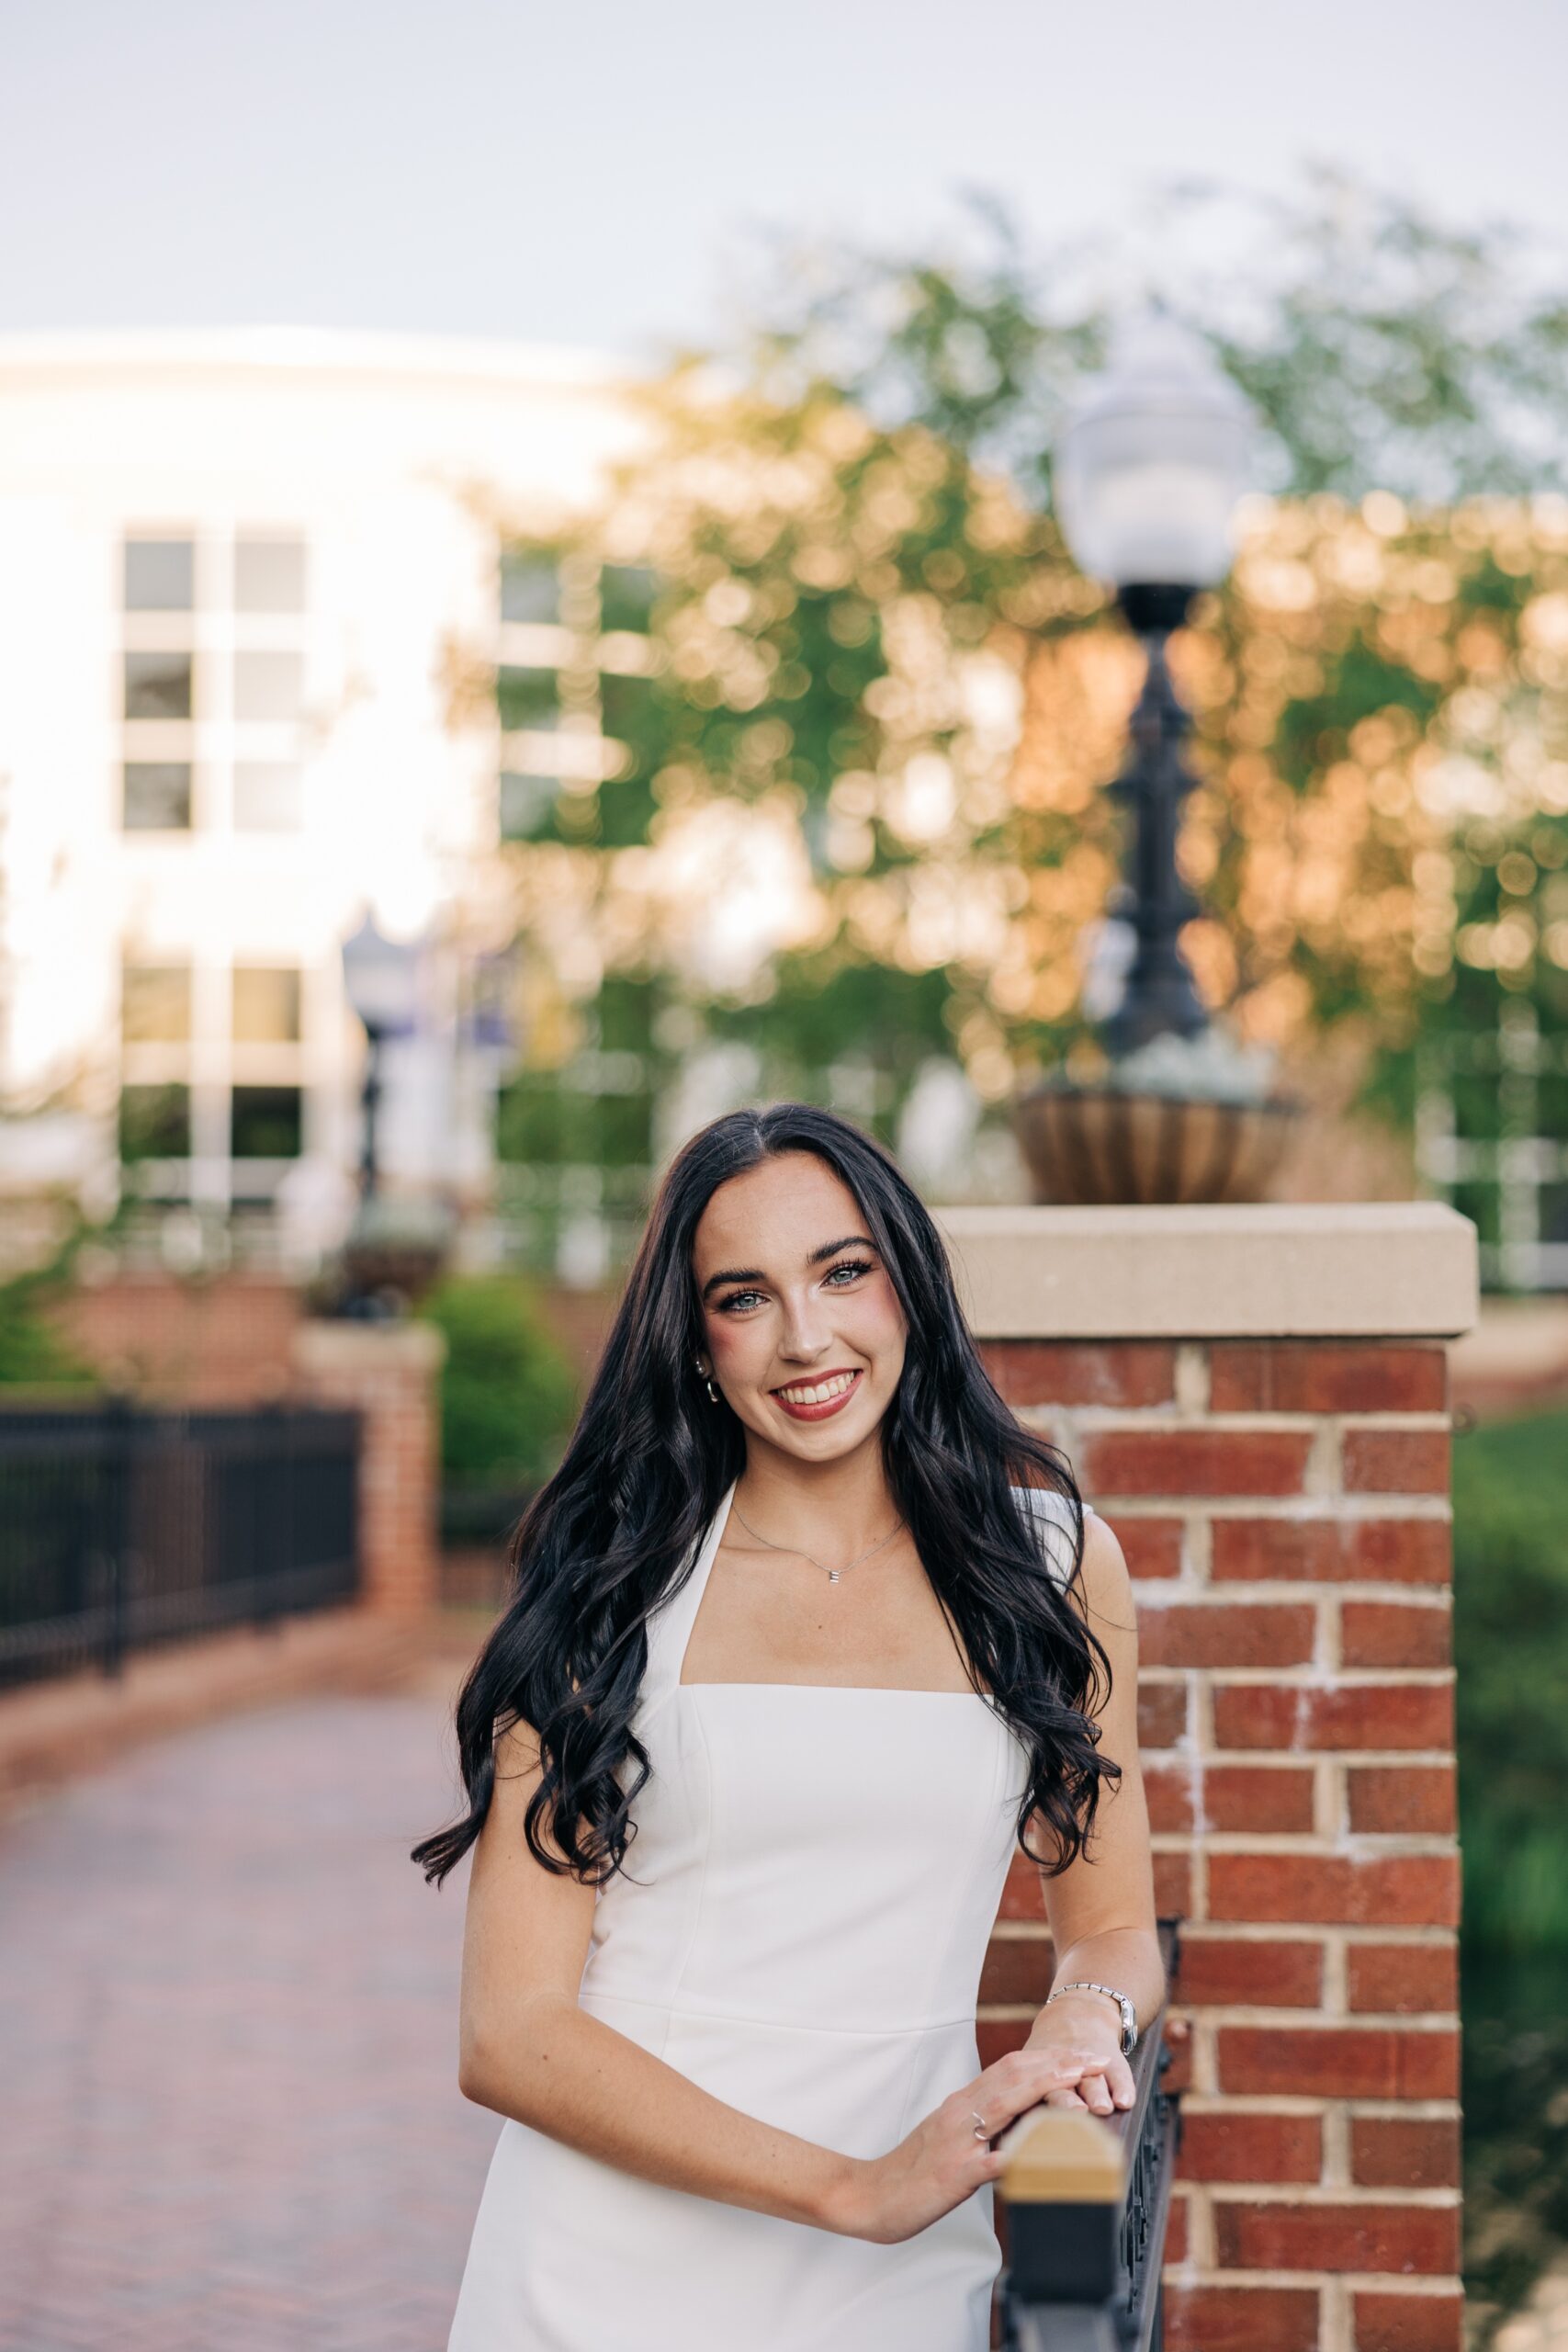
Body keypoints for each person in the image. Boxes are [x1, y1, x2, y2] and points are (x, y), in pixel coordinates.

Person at [414, 1102, 1162, 2352]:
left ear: (907, 1286)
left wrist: (1085, 2017)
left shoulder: (1054, 1565)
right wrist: (849, 2188)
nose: (806, 1337)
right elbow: (509, 2031)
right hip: (605, 2271)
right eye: (745, 1297)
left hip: (903, 2262)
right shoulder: (608, 1585)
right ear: (697, 1341)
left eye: (842, 1271)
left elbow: (1115, 1926)